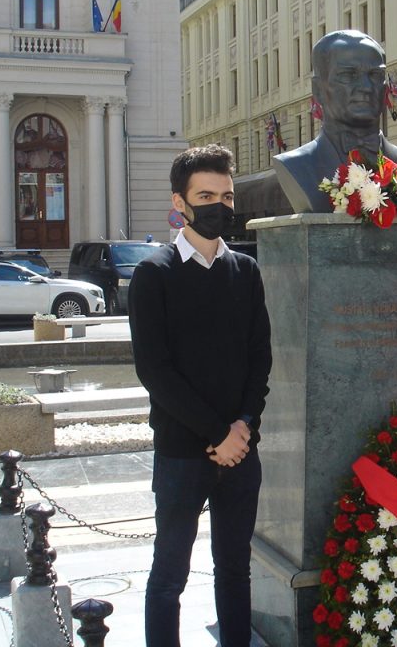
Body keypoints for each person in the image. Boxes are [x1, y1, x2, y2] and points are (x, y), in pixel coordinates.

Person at [128, 144, 272, 647]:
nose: (219, 206)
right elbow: (155, 371)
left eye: (226, 196)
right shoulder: (154, 274)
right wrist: (216, 434)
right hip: (182, 452)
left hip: (241, 451)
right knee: (169, 576)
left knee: (235, 571)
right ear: (180, 202)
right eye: (206, 196)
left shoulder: (246, 271)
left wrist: (243, 426)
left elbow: (260, 359)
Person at [272, 29, 397, 212]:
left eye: (375, 75)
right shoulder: (297, 167)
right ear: (318, 90)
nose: (366, 87)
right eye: (348, 75)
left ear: (385, 88)